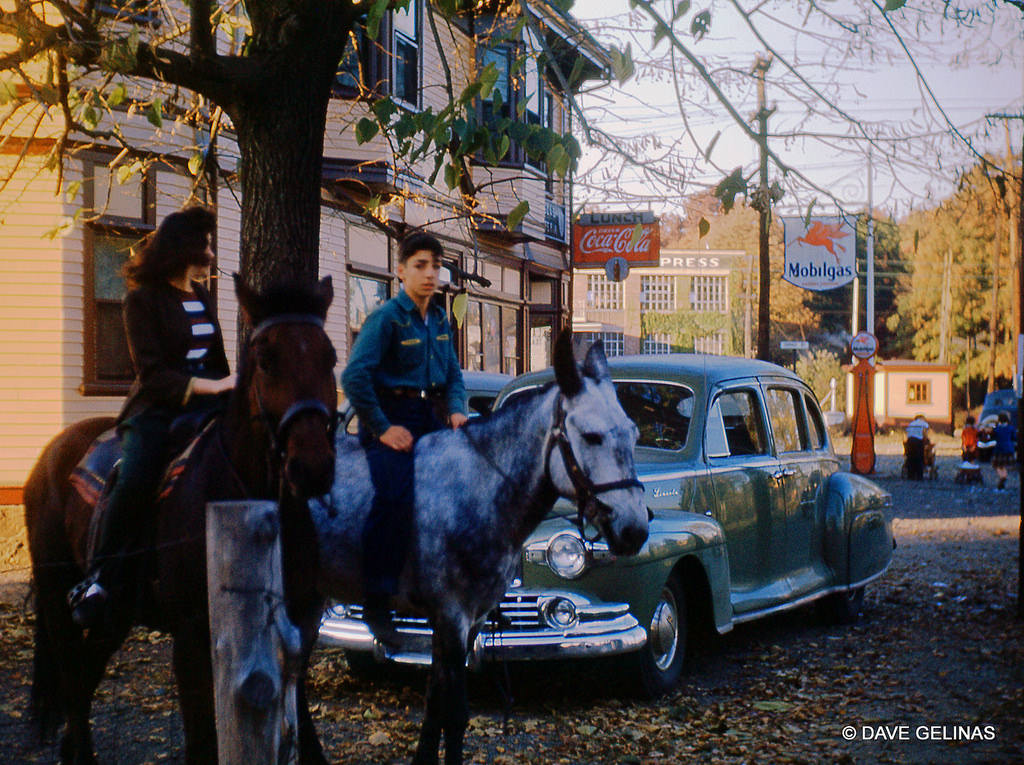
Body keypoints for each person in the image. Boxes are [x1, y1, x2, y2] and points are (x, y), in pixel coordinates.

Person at [69, 206, 235, 627]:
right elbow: (153, 373)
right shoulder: (141, 300)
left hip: (208, 404)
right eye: (206, 246)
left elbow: (216, 361)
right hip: (156, 410)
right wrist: (210, 387)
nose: (210, 254)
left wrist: (229, 389)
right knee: (137, 473)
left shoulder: (201, 296)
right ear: (185, 249)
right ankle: (100, 577)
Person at [341, 231, 468, 645]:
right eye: (420, 265)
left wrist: (457, 409)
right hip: (388, 417)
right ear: (400, 271)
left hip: (428, 415)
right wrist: (382, 428)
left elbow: (452, 376)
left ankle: (448, 583)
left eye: (436, 265)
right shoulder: (387, 318)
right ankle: (377, 599)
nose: (431, 274)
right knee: (393, 495)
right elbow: (354, 377)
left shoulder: (440, 319)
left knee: (469, 483)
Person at [991, 411, 1017, 491]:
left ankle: (1002, 478)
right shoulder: (1011, 428)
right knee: (1004, 466)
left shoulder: (997, 429)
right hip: (1009, 449)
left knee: (997, 465)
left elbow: (993, 437)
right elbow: (1014, 438)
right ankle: (1004, 477)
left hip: (999, 449)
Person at [904, 413, 929, 481]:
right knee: (919, 458)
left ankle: (910, 475)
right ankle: (919, 476)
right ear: (922, 418)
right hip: (918, 441)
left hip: (910, 441)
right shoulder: (924, 424)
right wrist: (926, 441)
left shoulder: (911, 424)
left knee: (910, 458)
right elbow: (924, 433)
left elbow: (907, 433)